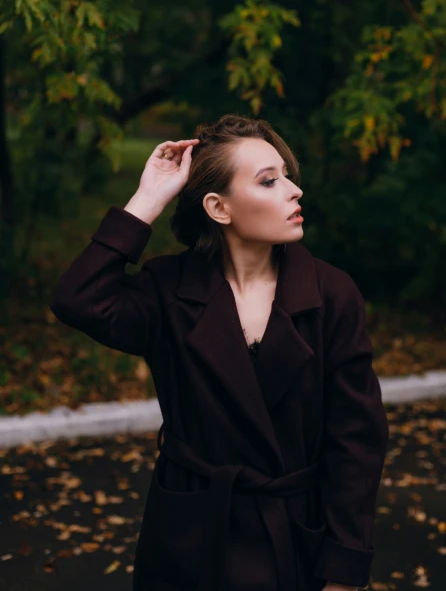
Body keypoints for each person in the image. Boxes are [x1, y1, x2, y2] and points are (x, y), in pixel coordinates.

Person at [49, 113, 389, 591]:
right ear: (219, 207)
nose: (295, 191)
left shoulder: (331, 294)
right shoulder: (167, 290)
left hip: (295, 540)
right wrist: (147, 199)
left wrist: (344, 570)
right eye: (269, 181)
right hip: (189, 536)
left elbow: (358, 443)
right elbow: (79, 300)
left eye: (287, 176)